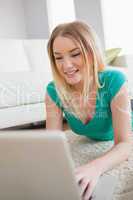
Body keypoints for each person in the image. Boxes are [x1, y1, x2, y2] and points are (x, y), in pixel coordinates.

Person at [45, 21, 132, 200]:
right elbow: (50, 145)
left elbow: (125, 144)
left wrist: (95, 167)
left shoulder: (114, 80)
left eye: (75, 54)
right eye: (58, 57)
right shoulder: (54, 91)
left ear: (91, 53)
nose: (66, 65)